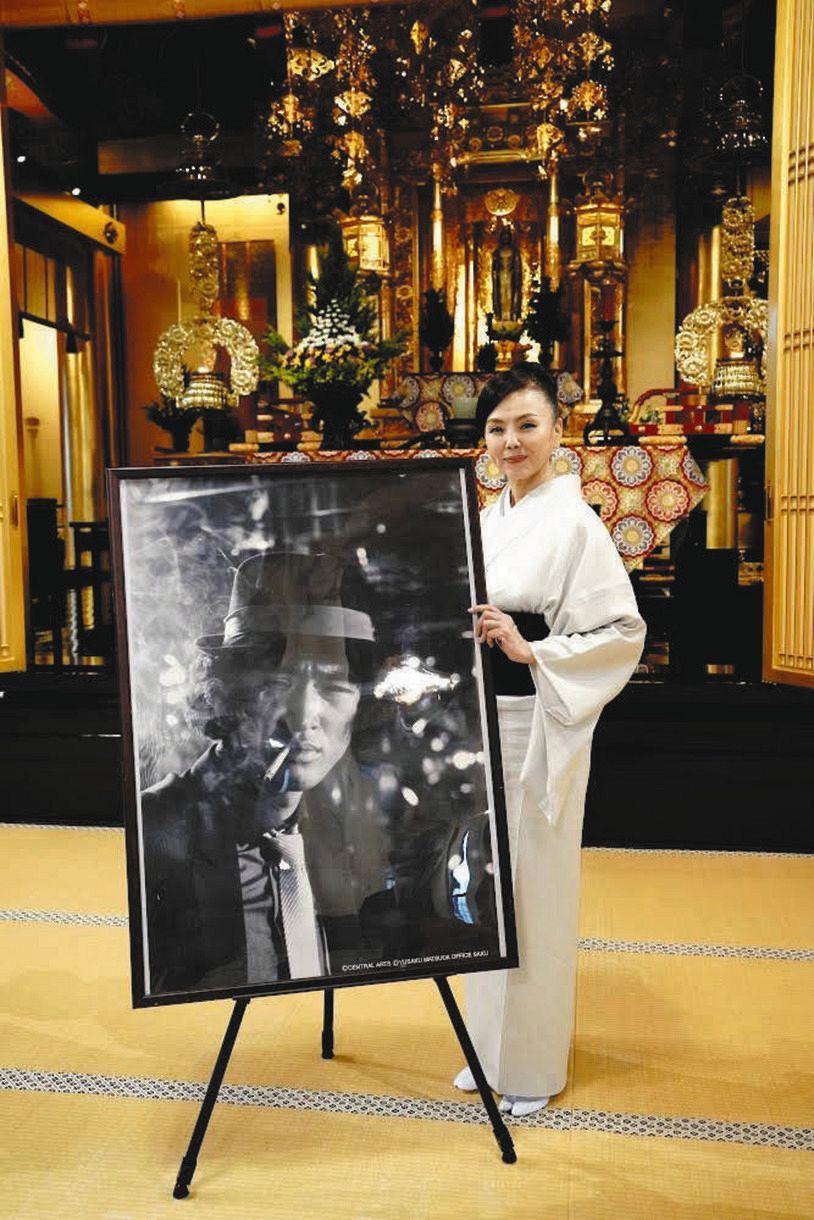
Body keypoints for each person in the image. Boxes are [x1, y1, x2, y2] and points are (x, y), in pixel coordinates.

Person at [455, 363, 645, 1116]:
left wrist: (531, 648)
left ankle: (531, 1064)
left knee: (533, 887)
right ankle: (486, 1045)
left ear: (559, 432)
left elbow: (621, 631)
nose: (512, 442)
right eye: (497, 428)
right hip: (478, 720)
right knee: (480, 884)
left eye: (527, 425)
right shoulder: (486, 517)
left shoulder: (574, 523)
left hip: (535, 717)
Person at [140, 550, 395, 997]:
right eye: (278, 684)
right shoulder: (158, 828)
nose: (304, 716)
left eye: (333, 685)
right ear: (225, 691)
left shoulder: (356, 822)